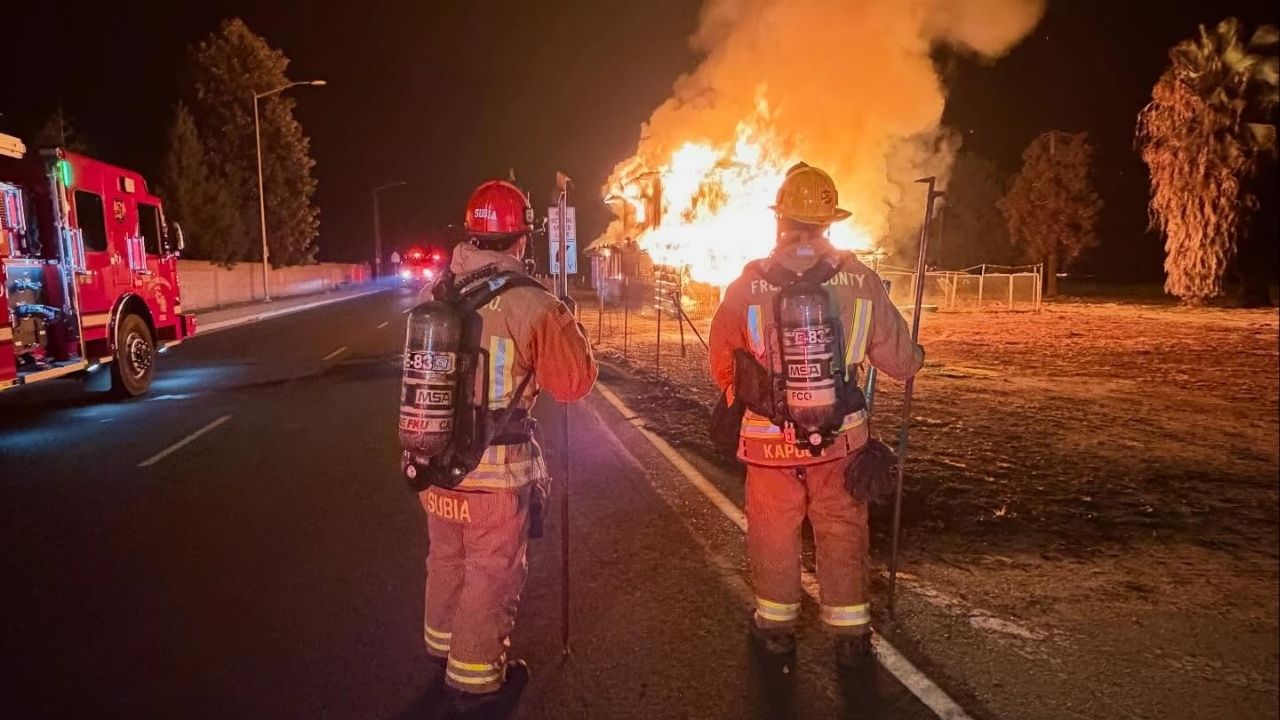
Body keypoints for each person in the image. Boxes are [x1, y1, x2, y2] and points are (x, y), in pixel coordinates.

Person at [708, 162, 924, 668]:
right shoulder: (860, 278)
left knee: (772, 531)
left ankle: (776, 629)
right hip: (841, 441)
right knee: (842, 527)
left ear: (779, 220)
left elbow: (721, 361)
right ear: (830, 223)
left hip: (766, 440)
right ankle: (850, 637)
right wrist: (916, 356)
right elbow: (898, 363)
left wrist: (753, 396)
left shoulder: (748, 284)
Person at [420, 180, 597, 715]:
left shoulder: (437, 293)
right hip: (494, 473)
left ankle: (442, 649)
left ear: (472, 234)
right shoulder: (530, 303)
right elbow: (573, 384)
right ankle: (475, 681)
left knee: (446, 558)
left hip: (434, 462)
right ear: (521, 240)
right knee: (491, 569)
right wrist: (566, 322)